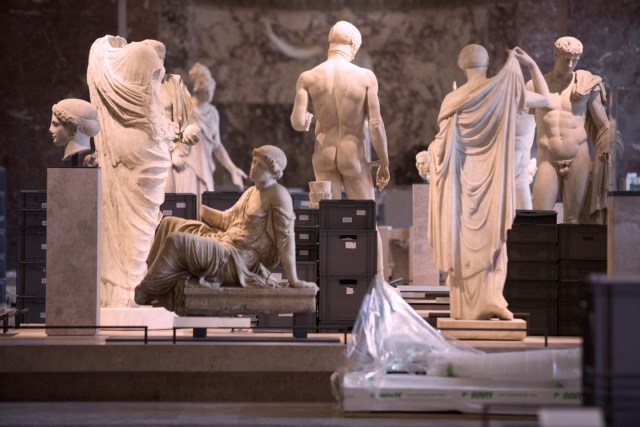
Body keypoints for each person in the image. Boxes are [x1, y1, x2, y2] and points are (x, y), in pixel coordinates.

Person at [428, 45, 547, 320]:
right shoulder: (501, 89)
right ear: (486, 62)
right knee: (494, 240)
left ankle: (475, 304)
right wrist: (531, 64)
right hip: (493, 179)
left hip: (462, 181)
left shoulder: (452, 99)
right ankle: (490, 298)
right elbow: (546, 99)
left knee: (464, 240)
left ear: (462, 66)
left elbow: (441, 143)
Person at [134, 145, 317, 313]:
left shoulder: (278, 195)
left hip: (238, 258)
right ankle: (162, 288)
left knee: (176, 241)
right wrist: (202, 208)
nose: (253, 167)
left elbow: (286, 240)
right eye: (254, 161)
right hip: (224, 240)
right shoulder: (252, 191)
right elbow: (226, 220)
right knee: (170, 223)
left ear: (273, 172)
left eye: (260, 165)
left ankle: (148, 290)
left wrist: (294, 279)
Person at [88, 35, 177, 307]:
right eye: (155, 74)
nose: (157, 81)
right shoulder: (145, 60)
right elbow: (152, 110)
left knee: (128, 223)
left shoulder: (108, 70)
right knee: (138, 226)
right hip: (146, 150)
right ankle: (129, 288)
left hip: (133, 151)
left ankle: (124, 288)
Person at [290, 20, 389, 201]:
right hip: (352, 154)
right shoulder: (366, 77)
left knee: (329, 223)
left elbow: (297, 123)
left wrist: (306, 120)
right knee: (365, 222)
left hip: (323, 154)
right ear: (353, 45)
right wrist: (384, 162)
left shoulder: (308, 77)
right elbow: (375, 124)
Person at [530, 36, 622, 224]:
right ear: (556, 55)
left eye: (576, 59)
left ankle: (572, 253)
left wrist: (609, 146)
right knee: (539, 217)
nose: (571, 63)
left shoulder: (586, 86)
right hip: (547, 157)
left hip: (577, 156)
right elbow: (519, 120)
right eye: (566, 58)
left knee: (573, 219)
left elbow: (603, 124)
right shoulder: (535, 86)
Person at [142, 40, 201, 193]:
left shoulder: (172, 84)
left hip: (164, 153)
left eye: (162, 57)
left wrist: (188, 131)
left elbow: (184, 125)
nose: (160, 62)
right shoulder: (133, 87)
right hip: (141, 155)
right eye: (155, 57)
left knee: (168, 203)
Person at [187, 62, 247, 194]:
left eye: (212, 91)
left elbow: (217, 145)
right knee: (187, 203)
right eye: (206, 91)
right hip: (187, 166)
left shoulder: (213, 112)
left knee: (203, 204)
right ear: (198, 88)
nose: (209, 95)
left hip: (205, 166)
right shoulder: (185, 107)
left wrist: (232, 169)